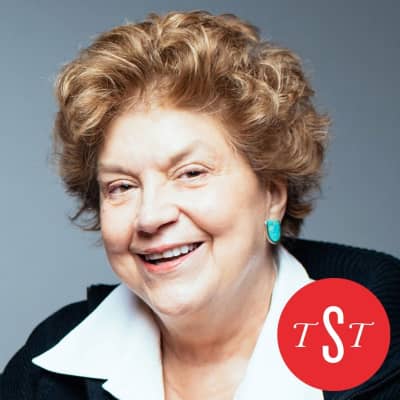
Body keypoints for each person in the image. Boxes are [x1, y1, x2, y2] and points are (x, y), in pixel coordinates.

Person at [1, 10, 399, 400]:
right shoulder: (46, 370)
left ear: (273, 196)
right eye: (121, 186)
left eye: (191, 173)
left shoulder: (385, 335)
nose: (150, 216)